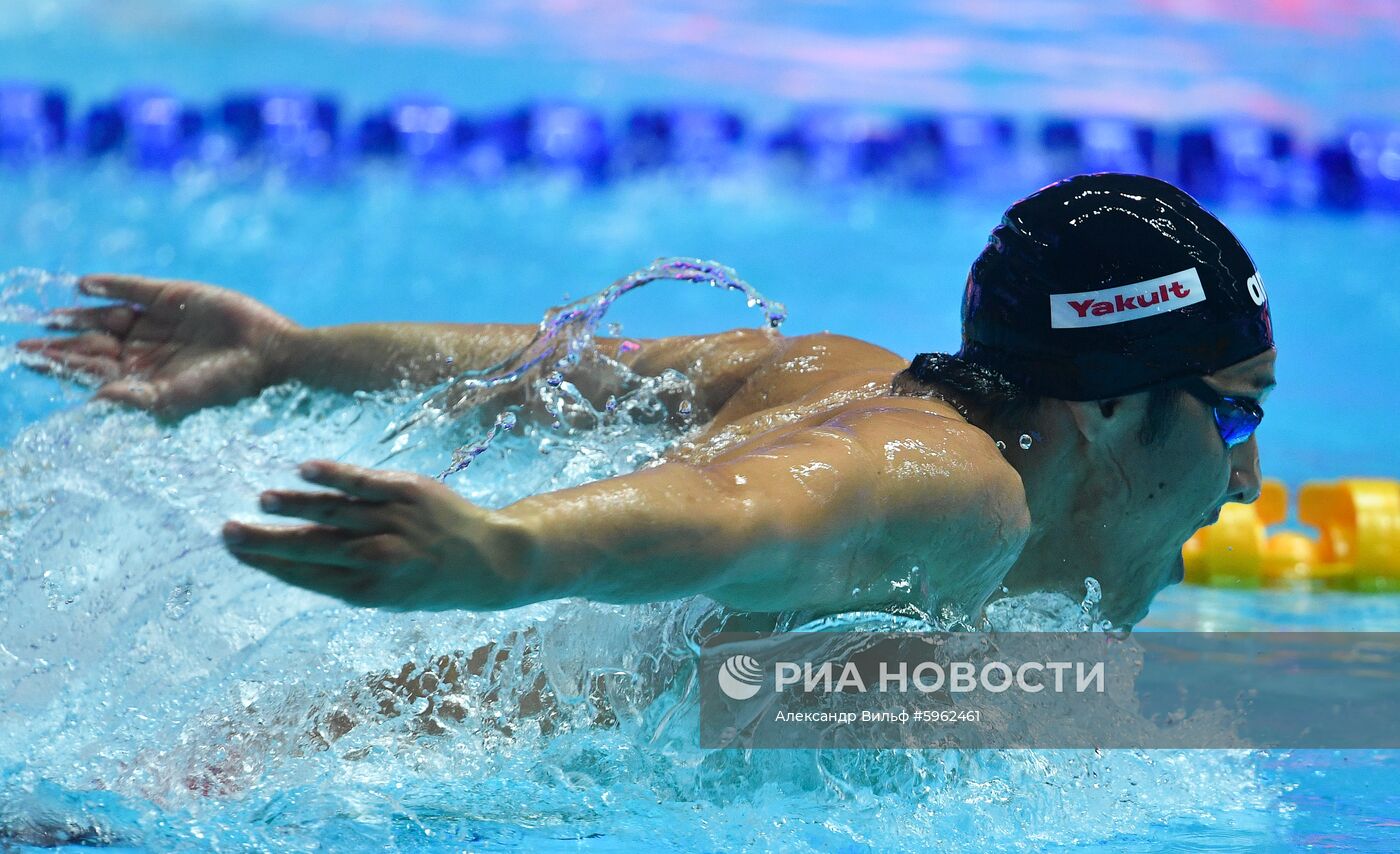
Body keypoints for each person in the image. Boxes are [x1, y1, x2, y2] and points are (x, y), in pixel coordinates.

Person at [17, 173, 1276, 630]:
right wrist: (512, 554)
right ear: (1110, 403)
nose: (1246, 476)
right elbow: (740, 509)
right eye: (1232, 412)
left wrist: (290, 355)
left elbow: (556, 366)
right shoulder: (959, 491)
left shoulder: (839, 370)